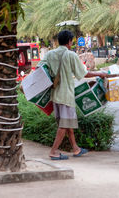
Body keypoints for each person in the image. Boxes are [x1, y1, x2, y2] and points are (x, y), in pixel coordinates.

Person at [39, 30, 108, 160]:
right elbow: (84, 74)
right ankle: (53, 151)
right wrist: (100, 74)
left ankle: (76, 149)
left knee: (66, 123)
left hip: (55, 95)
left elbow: (39, 68)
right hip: (66, 95)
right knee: (64, 125)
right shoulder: (71, 55)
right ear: (69, 41)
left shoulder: (50, 54)